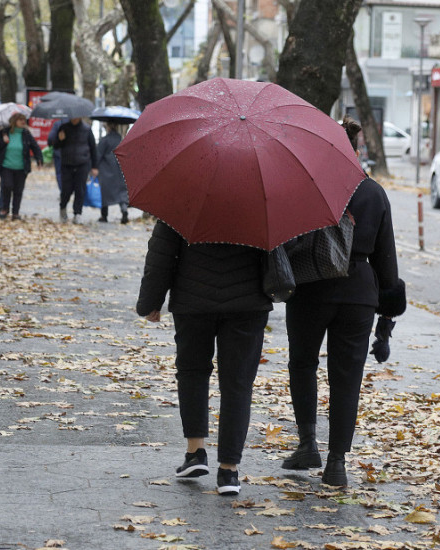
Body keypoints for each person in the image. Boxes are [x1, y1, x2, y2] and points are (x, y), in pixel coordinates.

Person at [281, 116, 404, 487]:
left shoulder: (305, 187)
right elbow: (387, 260)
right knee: (347, 376)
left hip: (311, 289)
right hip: (359, 293)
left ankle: (307, 444)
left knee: (302, 363)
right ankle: (337, 463)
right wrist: (387, 317)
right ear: (355, 149)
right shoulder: (373, 192)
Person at [136, 222, 273, 496]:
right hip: (247, 302)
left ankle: (195, 452)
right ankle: (229, 471)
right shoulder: (263, 199)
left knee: (192, 373)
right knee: (237, 383)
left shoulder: (184, 196)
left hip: (192, 299)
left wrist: (151, 300)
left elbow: (162, 253)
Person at [0, 113, 44, 220]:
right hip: (6, 165)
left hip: (21, 167)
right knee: (7, 186)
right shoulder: (5, 132)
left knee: (18, 190)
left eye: (24, 119)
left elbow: (35, 146)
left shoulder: (26, 133)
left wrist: (39, 159)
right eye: (20, 119)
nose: (23, 121)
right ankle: (5, 208)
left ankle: (15, 212)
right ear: (14, 121)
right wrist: (2, 139)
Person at [53, 117, 97, 224]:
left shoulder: (87, 129)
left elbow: (93, 148)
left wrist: (94, 166)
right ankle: (63, 207)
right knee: (66, 190)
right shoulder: (63, 128)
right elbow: (56, 145)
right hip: (67, 164)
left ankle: (77, 213)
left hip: (82, 164)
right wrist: (60, 139)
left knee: (80, 190)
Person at [95, 123, 129, 224]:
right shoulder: (121, 139)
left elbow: (98, 155)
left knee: (104, 193)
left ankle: (104, 216)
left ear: (108, 127)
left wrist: (94, 167)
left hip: (106, 171)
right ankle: (124, 211)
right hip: (119, 170)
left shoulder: (104, 140)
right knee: (121, 192)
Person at [47, 120, 66, 191]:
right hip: (74, 155)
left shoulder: (58, 124)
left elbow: (50, 137)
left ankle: (63, 191)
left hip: (59, 153)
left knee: (59, 173)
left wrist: (50, 144)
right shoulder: (77, 124)